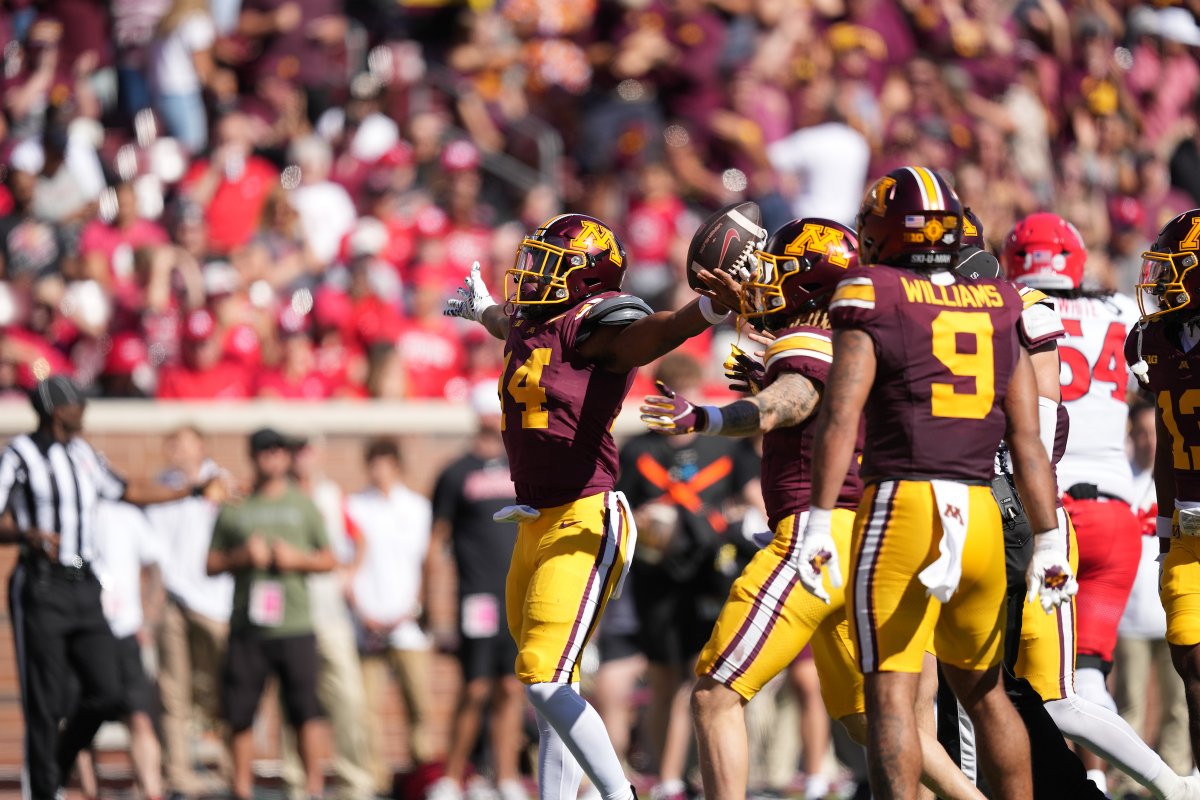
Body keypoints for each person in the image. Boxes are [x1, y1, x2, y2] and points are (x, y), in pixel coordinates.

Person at [641, 217, 986, 800]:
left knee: (715, 693)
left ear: (809, 281)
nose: (765, 280)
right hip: (872, 540)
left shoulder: (805, 341)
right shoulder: (864, 337)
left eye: (778, 269)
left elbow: (789, 402)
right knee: (873, 719)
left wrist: (706, 417)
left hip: (816, 540)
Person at [443, 212, 760, 800]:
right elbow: (505, 323)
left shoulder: (597, 324)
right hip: (534, 522)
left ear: (587, 277)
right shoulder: (530, 320)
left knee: (543, 677)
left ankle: (621, 795)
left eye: (550, 264)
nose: (533, 273)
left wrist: (708, 309)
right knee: (548, 692)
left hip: (585, 515)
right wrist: (480, 307)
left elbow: (657, 332)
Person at [799, 167, 1076, 799]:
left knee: (890, 695)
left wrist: (817, 520)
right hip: (981, 511)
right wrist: (1049, 537)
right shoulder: (1001, 300)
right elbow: (1028, 438)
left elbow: (840, 416)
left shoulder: (874, 291)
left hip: (904, 503)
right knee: (987, 693)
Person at [0, 375, 225, 800]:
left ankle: (55, 766)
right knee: (45, 701)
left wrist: (192, 491)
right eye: (76, 405)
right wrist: (25, 535)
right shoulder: (19, 455)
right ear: (55, 411)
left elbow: (128, 489)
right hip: (42, 585)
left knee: (106, 692)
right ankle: (43, 791)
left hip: (85, 583)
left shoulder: (83, 453)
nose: (84, 411)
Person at [619, 351, 760, 800]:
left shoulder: (728, 447)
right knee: (663, 678)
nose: (681, 404)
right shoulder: (638, 450)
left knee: (700, 675)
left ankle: (678, 778)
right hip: (657, 575)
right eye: (672, 395)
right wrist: (643, 520)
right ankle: (666, 775)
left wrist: (731, 518)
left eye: (688, 394)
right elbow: (619, 510)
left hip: (711, 573)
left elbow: (752, 499)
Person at [207, 427, 336, 800]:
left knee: (305, 711)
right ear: (253, 456)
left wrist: (296, 560)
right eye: (266, 451)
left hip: (294, 625)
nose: (274, 457)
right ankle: (241, 788)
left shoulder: (303, 503)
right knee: (240, 712)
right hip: (248, 627)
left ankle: (313, 788)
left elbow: (329, 558)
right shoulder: (237, 503)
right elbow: (211, 563)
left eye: (280, 450)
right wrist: (241, 556)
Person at [426, 385, 528, 800]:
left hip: (517, 595)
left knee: (511, 688)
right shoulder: (456, 472)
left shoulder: (523, 466)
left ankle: (506, 777)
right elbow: (436, 541)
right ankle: (452, 777)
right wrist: (430, 606)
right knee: (475, 686)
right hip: (478, 599)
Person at [1127, 209, 1200, 774]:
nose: (1158, 281)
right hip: (1189, 530)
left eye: (1172, 269)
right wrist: (1166, 530)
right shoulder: (1155, 338)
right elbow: (1167, 443)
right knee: (1192, 669)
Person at [146, 425, 234, 798]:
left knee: (223, 689)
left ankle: (231, 769)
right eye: (172, 444)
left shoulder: (222, 483)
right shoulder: (160, 487)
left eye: (183, 443)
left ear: (201, 446)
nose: (176, 451)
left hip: (215, 602)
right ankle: (179, 774)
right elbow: (152, 551)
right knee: (172, 693)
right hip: (172, 601)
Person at [284, 437, 375, 800]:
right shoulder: (279, 494)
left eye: (306, 449)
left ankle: (354, 783)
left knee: (348, 700)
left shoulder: (331, 495)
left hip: (331, 613)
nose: (301, 457)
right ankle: (296, 784)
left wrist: (350, 574)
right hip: (291, 615)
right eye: (295, 449)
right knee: (293, 703)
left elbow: (359, 537)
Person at [1113, 400, 1195, 795]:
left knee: (1181, 703)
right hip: (1129, 616)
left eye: (1154, 432)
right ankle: (1127, 782)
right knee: (1129, 703)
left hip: (1174, 605)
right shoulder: (1117, 479)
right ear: (1131, 437)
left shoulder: (1182, 480)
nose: (1150, 442)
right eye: (1142, 434)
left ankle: (1180, 776)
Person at [345, 437, 435, 791]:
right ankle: (375, 782)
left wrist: (414, 608)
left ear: (397, 465)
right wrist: (362, 612)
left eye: (384, 462)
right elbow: (347, 565)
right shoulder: (354, 506)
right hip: (366, 624)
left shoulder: (417, 508)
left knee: (419, 704)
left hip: (407, 625)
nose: (378, 470)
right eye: (373, 463)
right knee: (365, 708)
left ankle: (422, 778)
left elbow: (426, 564)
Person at [76, 499, 163, 800]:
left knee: (140, 716)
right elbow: (69, 560)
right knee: (82, 718)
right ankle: (90, 792)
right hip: (84, 632)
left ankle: (151, 791)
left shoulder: (128, 515)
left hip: (126, 631)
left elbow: (154, 566)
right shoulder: (73, 510)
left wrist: (150, 617)